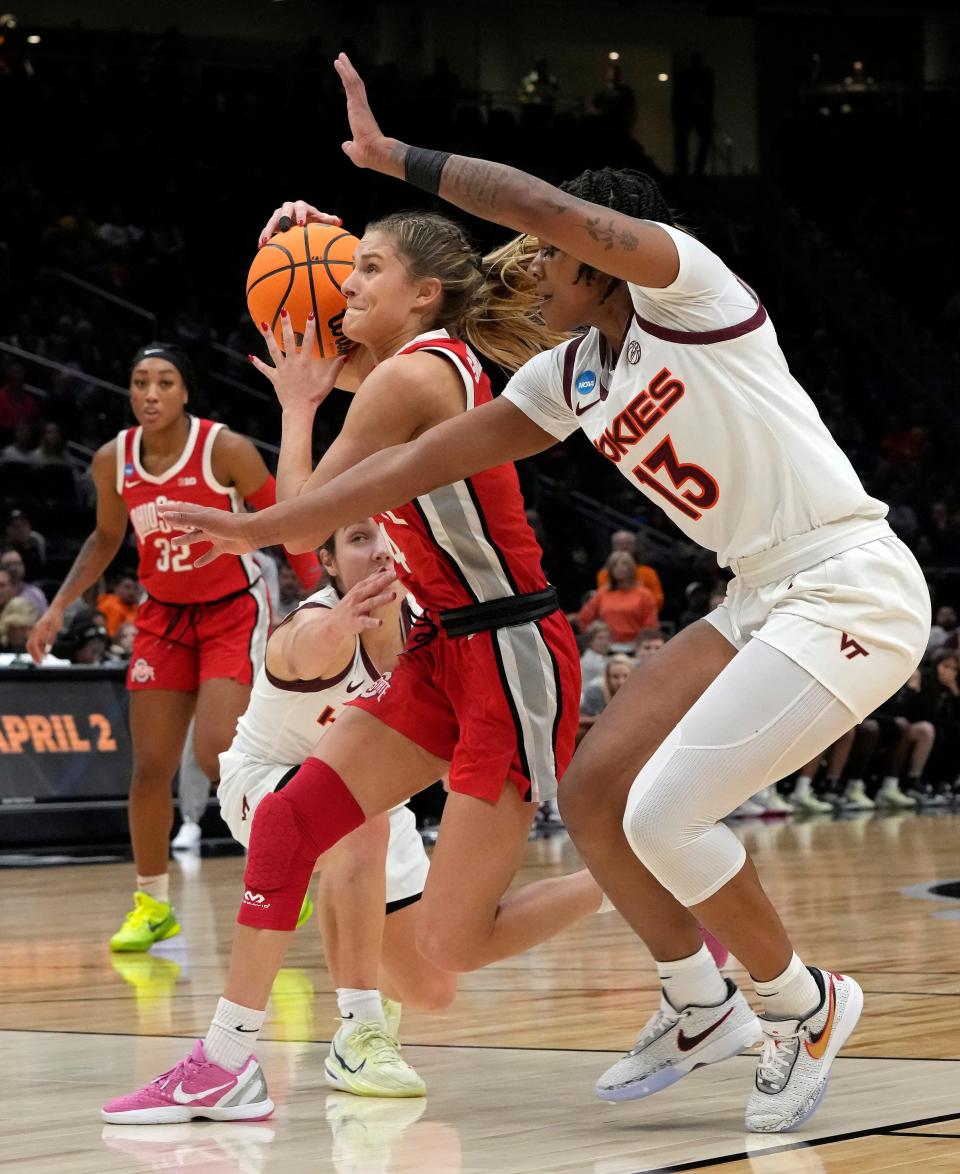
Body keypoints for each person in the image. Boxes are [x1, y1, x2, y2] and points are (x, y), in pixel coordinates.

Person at [154, 55, 929, 1135]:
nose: (534, 267)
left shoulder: (691, 291)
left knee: (665, 812)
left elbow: (536, 203)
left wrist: (393, 159)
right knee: (600, 794)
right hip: (759, 590)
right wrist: (258, 526)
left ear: (595, 256)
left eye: (556, 256)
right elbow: (391, 469)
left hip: (849, 583)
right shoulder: (569, 376)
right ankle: (700, 1002)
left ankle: (802, 1003)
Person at [102, 206, 607, 1124]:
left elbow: (305, 517)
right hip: (438, 646)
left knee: (451, 948)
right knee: (294, 820)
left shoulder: (411, 377)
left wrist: (292, 413)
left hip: (507, 651)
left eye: (367, 270)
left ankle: (650, 871)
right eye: (347, 267)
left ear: (422, 296)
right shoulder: (403, 364)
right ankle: (226, 1063)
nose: (347, 283)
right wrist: (308, 225)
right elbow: (325, 332)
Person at [27, 342, 322, 952]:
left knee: (220, 755)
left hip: (231, 609)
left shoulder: (225, 449)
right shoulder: (114, 459)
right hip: (162, 618)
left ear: (185, 391)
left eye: (164, 382)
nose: (151, 393)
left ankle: (285, 877)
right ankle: (152, 903)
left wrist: (323, 593)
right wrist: (57, 607)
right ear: (130, 392)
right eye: (140, 382)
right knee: (150, 768)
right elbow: (106, 538)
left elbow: (294, 520)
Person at [218, 519, 457, 1097]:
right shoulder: (315, 625)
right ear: (327, 562)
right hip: (264, 785)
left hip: (378, 806)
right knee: (351, 818)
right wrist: (335, 626)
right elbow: (296, 649)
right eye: (356, 539)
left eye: (384, 535)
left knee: (433, 989)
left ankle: (363, 969)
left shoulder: (426, 626)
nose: (377, 549)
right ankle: (358, 1028)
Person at [578, 550, 658, 652]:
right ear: (610, 570)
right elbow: (583, 618)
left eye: (624, 564)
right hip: (607, 648)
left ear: (631, 568)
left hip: (635, 648)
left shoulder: (644, 594)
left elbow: (651, 625)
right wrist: (593, 641)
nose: (619, 568)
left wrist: (643, 646)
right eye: (615, 565)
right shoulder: (602, 593)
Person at [596, 530, 664, 611]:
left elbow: (659, 601)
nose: (624, 547)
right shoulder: (604, 574)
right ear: (613, 547)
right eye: (620, 544)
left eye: (628, 543)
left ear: (635, 547)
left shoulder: (649, 572)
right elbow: (605, 601)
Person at [580, 654, 633, 732]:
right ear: (607, 678)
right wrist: (594, 720)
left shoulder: (640, 694)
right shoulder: (595, 693)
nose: (621, 682)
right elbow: (579, 719)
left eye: (625, 676)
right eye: (615, 677)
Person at [0, 549, 47, 614]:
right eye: (8, 564)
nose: (13, 568)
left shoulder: (35, 594)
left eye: (17, 563)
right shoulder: (2, 594)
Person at [97, 570, 141, 637]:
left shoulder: (136, 607)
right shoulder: (109, 604)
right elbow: (111, 634)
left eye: (135, 588)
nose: (131, 591)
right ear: (116, 588)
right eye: (127, 587)